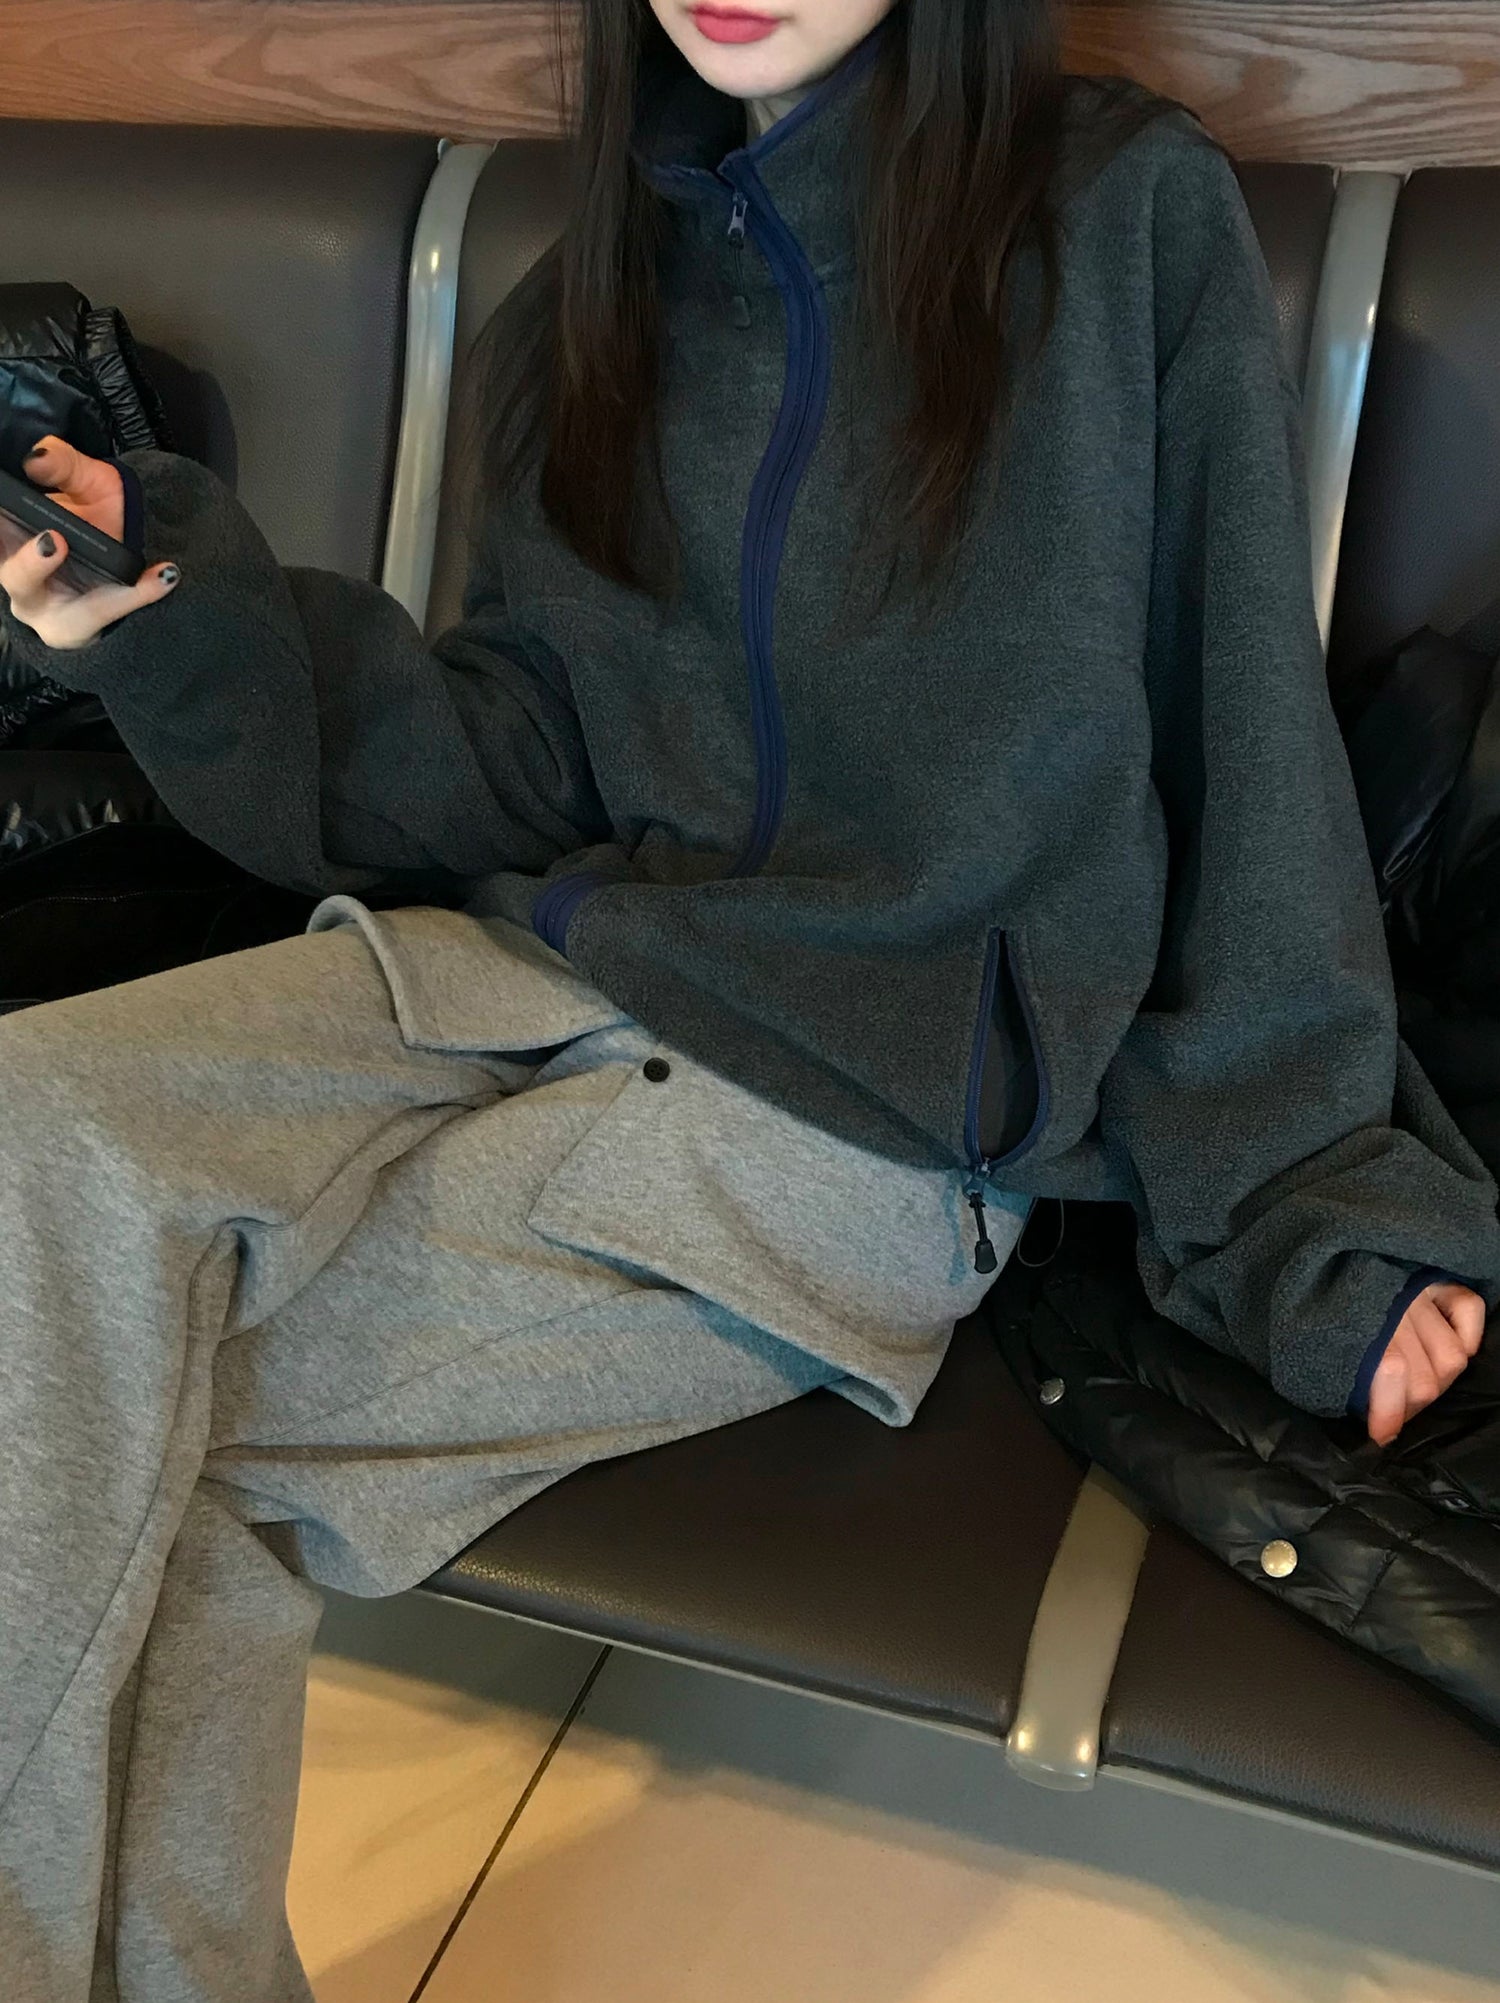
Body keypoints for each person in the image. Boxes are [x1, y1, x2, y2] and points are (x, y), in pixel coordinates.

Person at [1, 0, 1497, 1994]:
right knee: (32, 1136)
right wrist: (180, 624)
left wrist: (1310, 1210)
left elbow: (1241, 742)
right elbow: (520, 749)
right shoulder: (589, 291)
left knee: (141, 1450)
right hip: (546, 971)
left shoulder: (1115, 214)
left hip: (861, 1116)